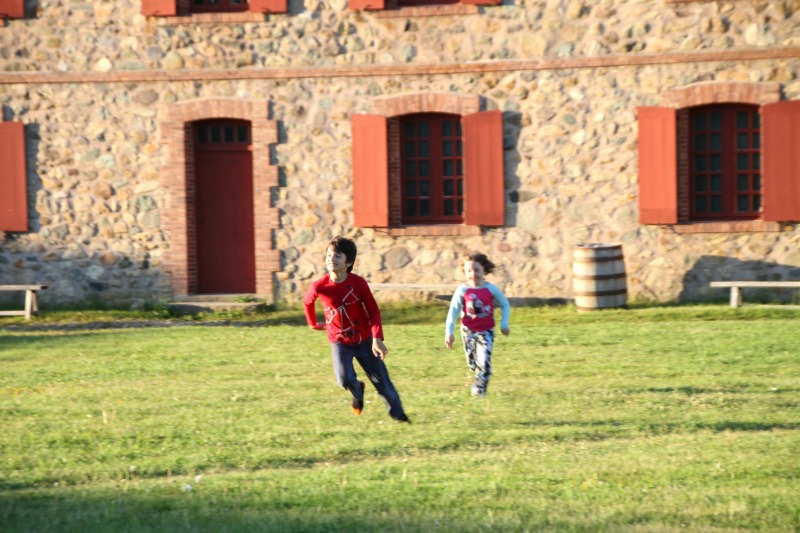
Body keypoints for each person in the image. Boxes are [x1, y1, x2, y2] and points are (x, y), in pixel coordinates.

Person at [304, 236, 410, 423]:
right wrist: (313, 323)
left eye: (337, 255)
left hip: (365, 340)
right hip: (339, 342)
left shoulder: (358, 284)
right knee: (343, 379)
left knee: (383, 384)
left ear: (349, 261)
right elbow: (307, 301)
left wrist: (377, 338)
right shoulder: (320, 286)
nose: (331, 259)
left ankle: (399, 416)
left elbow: (373, 311)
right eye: (328, 255)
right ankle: (357, 390)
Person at [445, 252, 511, 397]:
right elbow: (453, 311)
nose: (473, 274)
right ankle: (477, 375)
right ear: (464, 271)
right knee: (473, 364)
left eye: (476, 270)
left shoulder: (491, 289)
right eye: (469, 270)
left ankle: (479, 390)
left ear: (484, 270)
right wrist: (449, 332)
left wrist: (504, 324)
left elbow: (505, 304)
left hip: (486, 331)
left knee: (484, 362)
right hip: (467, 332)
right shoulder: (462, 290)